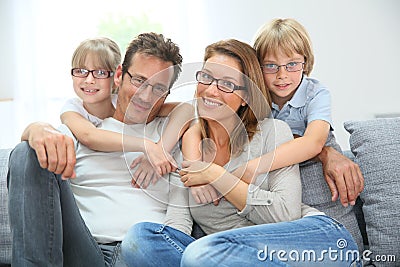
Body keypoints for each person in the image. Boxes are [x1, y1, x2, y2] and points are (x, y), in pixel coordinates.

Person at [121, 39, 361, 266]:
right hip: (224, 257)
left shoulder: (274, 132)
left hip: (313, 242)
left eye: (227, 84)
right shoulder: (188, 145)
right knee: (139, 239)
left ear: (246, 96)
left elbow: (285, 215)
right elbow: (178, 224)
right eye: (206, 77)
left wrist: (217, 176)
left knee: (201, 253)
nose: (212, 91)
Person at [7, 32, 192, 267]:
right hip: (84, 250)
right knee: (26, 153)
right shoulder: (85, 126)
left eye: (158, 89)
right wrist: (36, 128)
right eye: (139, 81)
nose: (145, 96)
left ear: (167, 94)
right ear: (119, 76)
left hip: (140, 253)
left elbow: (179, 219)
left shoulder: (172, 136)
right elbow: (37, 147)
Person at [251, 18, 364, 249]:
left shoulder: (316, 93)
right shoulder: (255, 99)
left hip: (325, 202)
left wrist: (251, 168)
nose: (282, 75)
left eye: (292, 64)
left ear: (305, 62)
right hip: (281, 202)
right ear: (258, 67)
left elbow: (313, 142)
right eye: (271, 66)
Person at [25, 37, 193, 185]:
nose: (90, 80)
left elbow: (186, 108)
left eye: (100, 73)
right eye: (81, 71)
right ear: (120, 76)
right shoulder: (75, 109)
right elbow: (89, 136)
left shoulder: (127, 103)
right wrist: (147, 146)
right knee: (23, 155)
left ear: (114, 77)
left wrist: (161, 148)